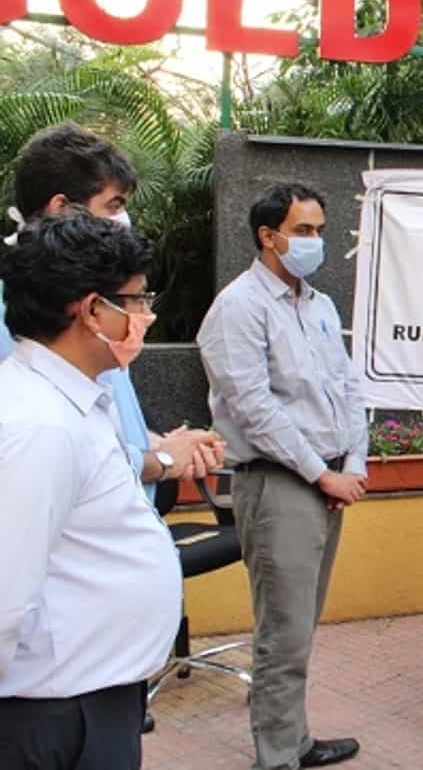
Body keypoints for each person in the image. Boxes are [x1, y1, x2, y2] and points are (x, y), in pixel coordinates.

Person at [0, 214, 181, 769]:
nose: (146, 314)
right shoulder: (40, 426)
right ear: (91, 310)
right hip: (55, 714)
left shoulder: (74, 400)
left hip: (90, 695)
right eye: (136, 299)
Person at [197, 183, 367, 770]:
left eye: (320, 230)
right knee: (283, 633)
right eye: (303, 231)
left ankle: (295, 741)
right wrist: (323, 474)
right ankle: (275, 758)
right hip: (279, 484)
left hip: (326, 483)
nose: (315, 241)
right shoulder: (238, 307)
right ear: (268, 236)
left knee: (301, 626)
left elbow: (348, 388)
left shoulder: (319, 305)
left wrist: (353, 464)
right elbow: (254, 409)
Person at [0, 122, 220, 503]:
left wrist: (159, 443)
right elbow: (54, 450)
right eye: (114, 205)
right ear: (61, 209)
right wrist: (164, 460)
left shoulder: (101, 309)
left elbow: (102, 424)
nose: (125, 220)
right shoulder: (18, 316)